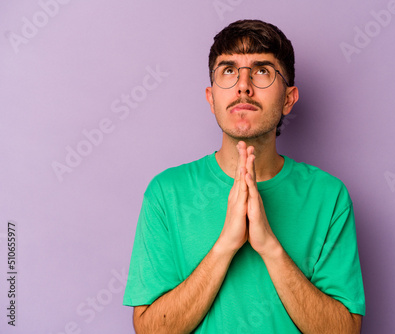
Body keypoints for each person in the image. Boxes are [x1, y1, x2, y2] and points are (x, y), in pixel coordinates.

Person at [123, 19, 365, 333]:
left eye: (262, 70)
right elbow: (150, 330)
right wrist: (226, 244)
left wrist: (269, 247)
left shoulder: (329, 196)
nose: (243, 85)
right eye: (229, 70)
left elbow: (344, 330)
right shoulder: (165, 193)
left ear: (289, 99)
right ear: (211, 98)